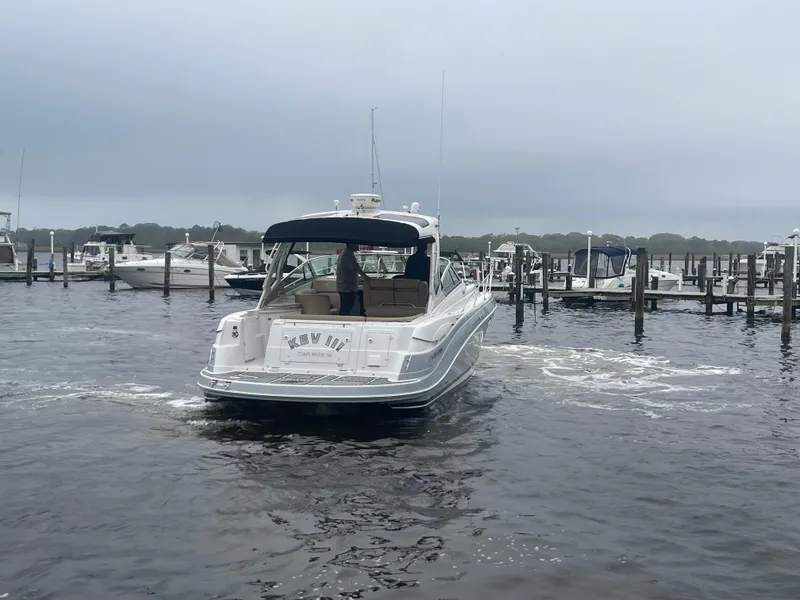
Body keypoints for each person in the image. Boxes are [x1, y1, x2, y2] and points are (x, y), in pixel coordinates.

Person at [337, 243, 369, 315]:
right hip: (347, 288)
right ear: (350, 244)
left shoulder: (346, 253)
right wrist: (366, 278)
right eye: (356, 244)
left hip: (346, 287)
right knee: (346, 310)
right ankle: (344, 323)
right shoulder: (347, 254)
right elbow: (356, 267)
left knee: (346, 308)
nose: (358, 245)